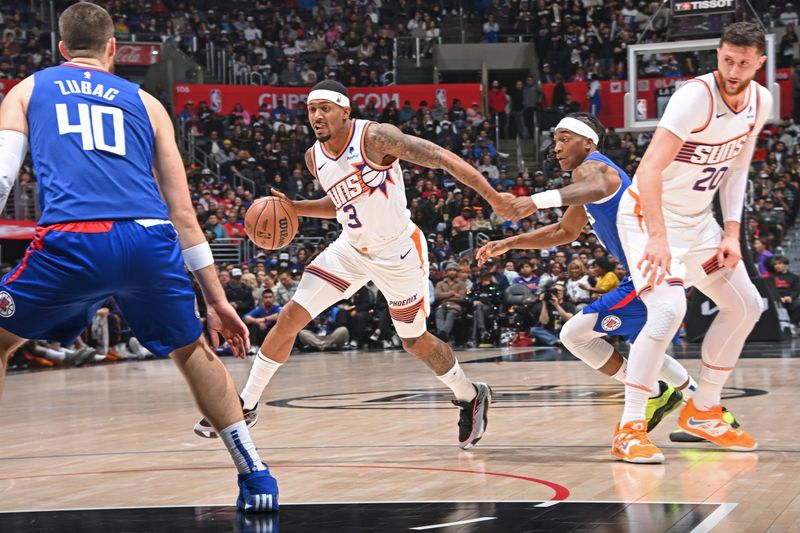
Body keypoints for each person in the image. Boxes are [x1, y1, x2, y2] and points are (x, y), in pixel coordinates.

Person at [0, 3, 277, 512]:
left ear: (61, 49)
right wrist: (215, 300)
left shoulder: (28, 89)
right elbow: (184, 212)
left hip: (74, 238)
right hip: (149, 238)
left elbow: (1, 179)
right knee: (193, 349)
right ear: (112, 50)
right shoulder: (147, 103)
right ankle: (256, 474)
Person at [195, 80, 518, 448]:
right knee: (290, 318)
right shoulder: (313, 157)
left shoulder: (376, 138)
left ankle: (469, 394)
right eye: (312, 109)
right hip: (349, 249)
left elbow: (440, 157)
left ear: (345, 111)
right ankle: (246, 405)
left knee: (414, 341)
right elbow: (340, 202)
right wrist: (296, 208)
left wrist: (492, 196)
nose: (317, 115)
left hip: (398, 253)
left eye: (325, 108)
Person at [477, 112, 705, 457]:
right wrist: (510, 243)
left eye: (565, 138)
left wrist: (535, 200)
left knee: (574, 334)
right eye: (555, 141)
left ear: (589, 142)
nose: (557, 147)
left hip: (645, 274)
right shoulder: (588, 183)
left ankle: (659, 396)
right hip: (654, 272)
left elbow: (596, 186)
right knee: (647, 346)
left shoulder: (594, 168)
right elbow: (563, 232)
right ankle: (701, 406)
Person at [614, 23, 771, 461]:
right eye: (727, 60)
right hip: (649, 216)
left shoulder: (761, 101)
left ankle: (703, 411)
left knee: (746, 306)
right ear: (717, 55)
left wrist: (733, 233)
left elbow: (737, 170)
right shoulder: (694, 98)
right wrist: (659, 238)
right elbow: (647, 170)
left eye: (743, 62)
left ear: (759, 62)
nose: (734, 70)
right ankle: (629, 428)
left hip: (700, 224)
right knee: (668, 310)